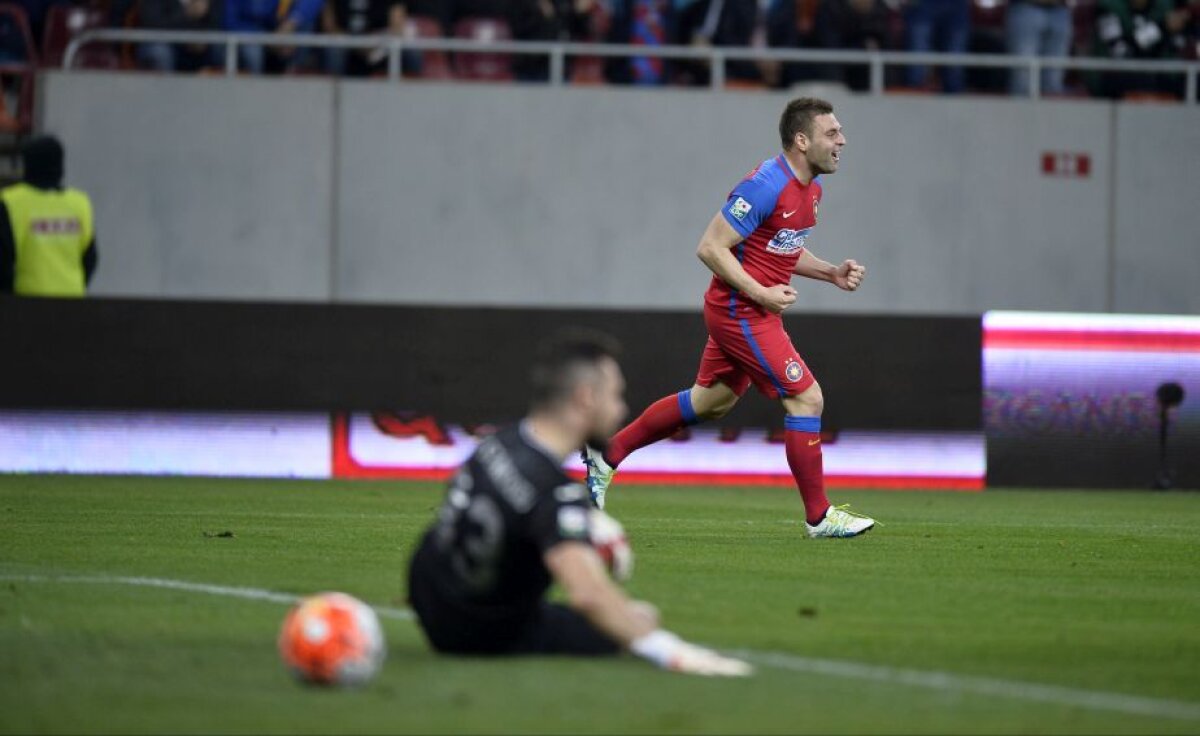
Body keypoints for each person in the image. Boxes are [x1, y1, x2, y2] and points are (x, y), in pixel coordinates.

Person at [582, 97, 876, 540]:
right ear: (801, 140)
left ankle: (606, 454)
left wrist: (830, 273)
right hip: (742, 311)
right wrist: (760, 293)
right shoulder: (764, 185)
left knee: (710, 403)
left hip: (749, 309)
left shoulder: (811, 190)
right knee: (806, 398)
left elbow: (781, 247)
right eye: (832, 133)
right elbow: (710, 247)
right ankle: (819, 517)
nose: (842, 141)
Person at [407, 329, 752, 676]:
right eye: (616, 396)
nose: (622, 409)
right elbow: (587, 594)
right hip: (479, 634)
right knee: (640, 616)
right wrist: (672, 651)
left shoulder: (498, 444)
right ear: (586, 397)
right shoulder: (557, 495)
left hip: (429, 593)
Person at [0, 136, 97, 297]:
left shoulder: (11, 202)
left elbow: (3, 262)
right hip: (72, 303)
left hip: (25, 305)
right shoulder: (80, 203)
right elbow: (90, 259)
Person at [224, 0, 325, 73]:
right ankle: (255, 90)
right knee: (253, 50)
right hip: (246, 38)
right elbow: (230, 23)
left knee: (303, 26)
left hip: (276, 35)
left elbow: (311, 3)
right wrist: (266, 39)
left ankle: (293, 74)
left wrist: (290, 24)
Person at [321, 0, 413, 76]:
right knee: (334, 48)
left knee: (409, 46)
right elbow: (329, 25)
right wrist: (356, 43)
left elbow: (397, 26)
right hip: (346, 41)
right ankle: (332, 90)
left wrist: (374, 41)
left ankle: (409, 89)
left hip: (379, 42)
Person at [1006, 0, 1073, 96]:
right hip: (1025, 8)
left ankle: (1050, 111)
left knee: (1053, 82)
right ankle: (1021, 111)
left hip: (1060, 10)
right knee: (1023, 80)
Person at [137, 0, 223, 72]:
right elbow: (153, 24)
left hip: (198, 46)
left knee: (221, 48)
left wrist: (202, 38)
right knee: (160, 52)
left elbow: (216, 24)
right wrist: (186, 14)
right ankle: (165, 90)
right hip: (165, 43)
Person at [903, 0, 970, 93]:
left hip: (957, 5)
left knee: (954, 65)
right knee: (917, 61)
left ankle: (954, 103)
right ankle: (912, 101)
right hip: (922, 4)